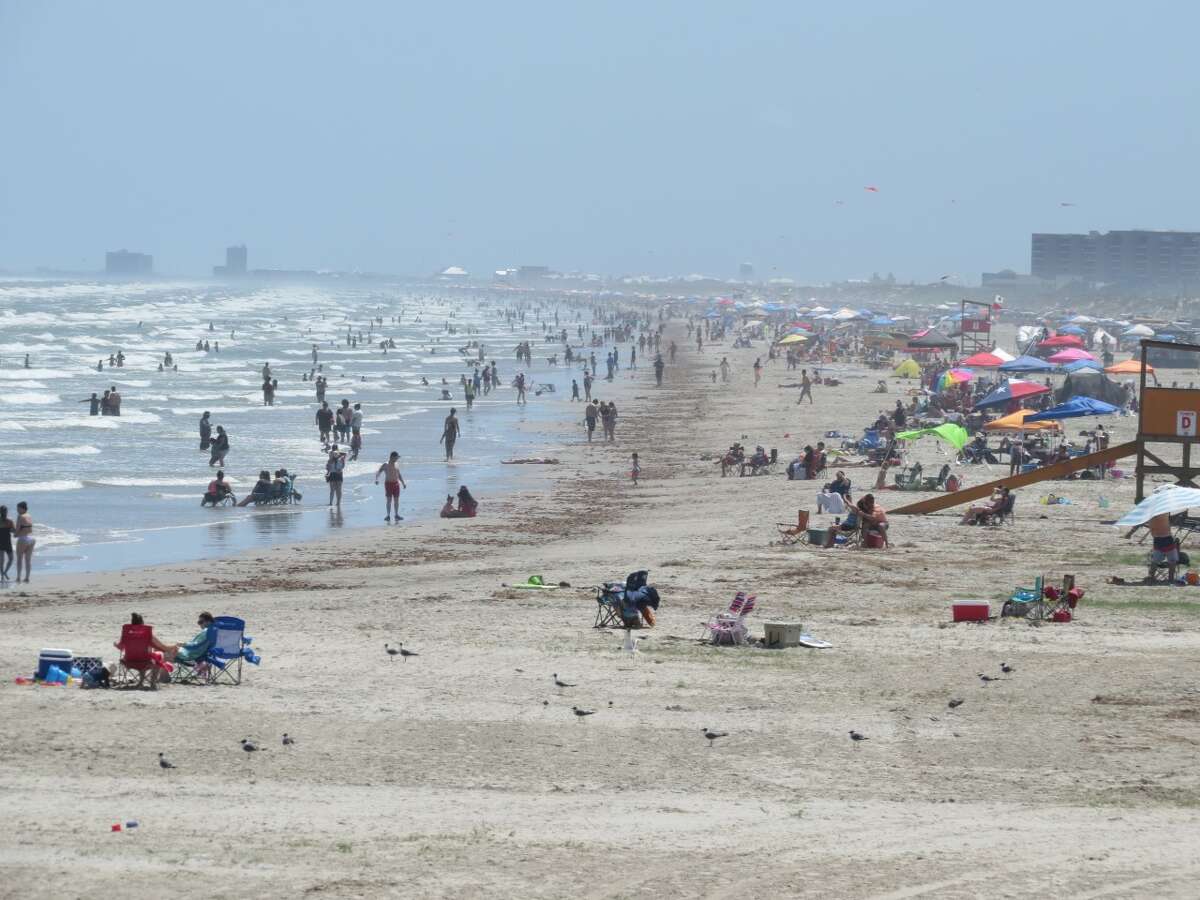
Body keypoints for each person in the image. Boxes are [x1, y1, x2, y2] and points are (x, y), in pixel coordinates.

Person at [375, 451, 407, 522]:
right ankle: (388, 515)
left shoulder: (397, 464)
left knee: (396, 500)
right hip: (388, 484)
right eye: (396, 457)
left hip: (396, 484)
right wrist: (377, 479)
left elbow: (399, 475)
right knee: (389, 500)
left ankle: (396, 515)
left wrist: (403, 483)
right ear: (392, 457)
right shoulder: (385, 464)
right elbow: (378, 472)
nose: (397, 459)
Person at [1148, 511, 1179, 582]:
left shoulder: (1150, 516)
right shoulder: (1165, 512)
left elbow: (1152, 532)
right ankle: (1171, 579)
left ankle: (1151, 577)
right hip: (1167, 538)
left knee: (1155, 561)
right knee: (1172, 561)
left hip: (1157, 539)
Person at [14, 501, 33, 583]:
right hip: (31, 539)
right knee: (28, 560)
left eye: (18, 508)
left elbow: (17, 529)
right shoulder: (29, 515)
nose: (17, 510)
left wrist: (15, 534)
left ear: (22, 508)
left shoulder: (20, 516)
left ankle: (18, 577)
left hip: (22, 539)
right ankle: (27, 577)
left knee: (19, 559)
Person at [0, 505, 12, 581]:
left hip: (7, 542)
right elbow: (13, 531)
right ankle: (3, 574)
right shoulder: (8, 521)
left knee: (10, 559)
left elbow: (13, 531)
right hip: (2, 542)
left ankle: (4, 573)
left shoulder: (9, 521)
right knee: (2, 560)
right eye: (4, 511)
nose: (5, 512)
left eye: (6, 511)